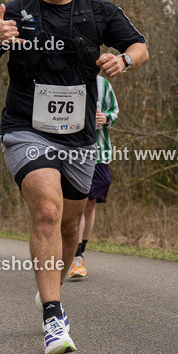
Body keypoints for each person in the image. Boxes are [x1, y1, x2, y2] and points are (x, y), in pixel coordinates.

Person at [0, 0, 148, 354]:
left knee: (69, 227)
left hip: (81, 138)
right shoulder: (12, 13)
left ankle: (53, 289)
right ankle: (53, 317)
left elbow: (140, 47)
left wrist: (122, 59)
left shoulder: (97, 11)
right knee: (47, 214)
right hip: (25, 130)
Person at [71, 75, 119, 279]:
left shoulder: (103, 83)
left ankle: (79, 251)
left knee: (90, 204)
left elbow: (114, 111)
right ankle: (76, 257)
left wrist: (106, 118)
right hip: (72, 151)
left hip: (99, 153)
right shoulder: (67, 78)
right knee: (77, 206)